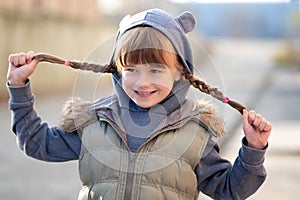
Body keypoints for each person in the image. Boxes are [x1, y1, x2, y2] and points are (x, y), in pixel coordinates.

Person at [7, 8, 272, 200]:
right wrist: (19, 89)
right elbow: (37, 143)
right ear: (117, 70)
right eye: (131, 69)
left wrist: (254, 149)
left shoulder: (195, 132)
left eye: (155, 70)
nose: (142, 82)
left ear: (179, 71)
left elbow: (231, 190)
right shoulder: (94, 121)